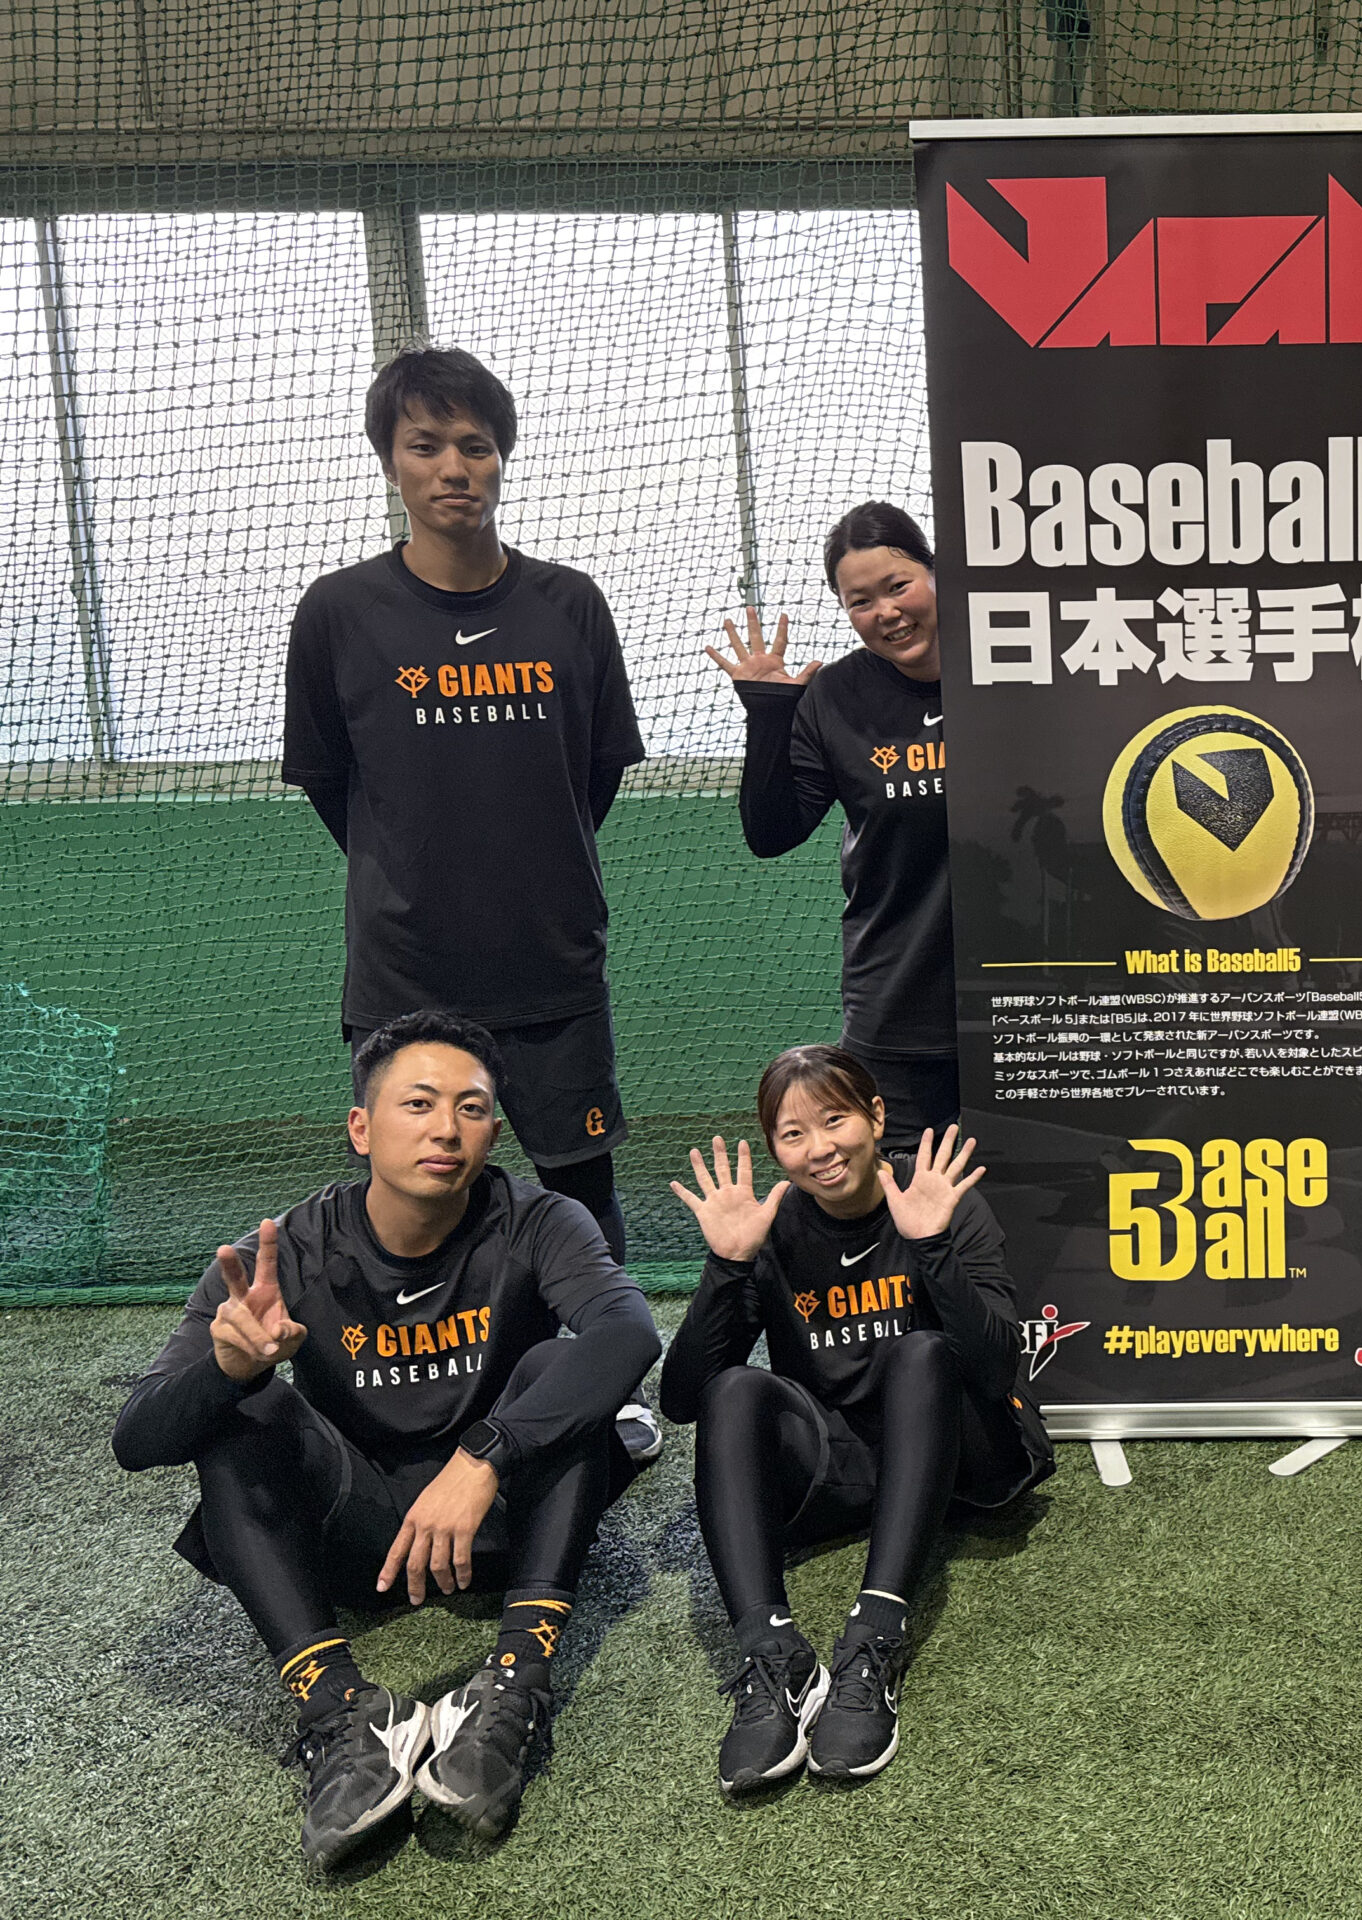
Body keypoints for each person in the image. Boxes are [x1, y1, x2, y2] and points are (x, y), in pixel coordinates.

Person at [110, 1013, 661, 1868]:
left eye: (472, 1109)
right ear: (361, 1129)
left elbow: (628, 1332)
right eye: (419, 1104)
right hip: (360, 1541)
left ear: (493, 1134)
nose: (447, 1129)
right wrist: (228, 1371)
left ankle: (514, 1684)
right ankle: (343, 1712)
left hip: (501, 1523)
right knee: (244, 1412)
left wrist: (486, 1453)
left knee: (562, 1369)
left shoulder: (539, 1219)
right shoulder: (287, 1251)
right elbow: (136, 1437)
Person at [280, 346, 659, 1462]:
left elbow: (595, 775)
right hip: (405, 977)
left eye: (475, 446)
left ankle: (596, 1389)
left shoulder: (569, 606)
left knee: (578, 1189)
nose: (454, 467)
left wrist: (529, 875)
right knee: (414, 1196)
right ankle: (416, 1411)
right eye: (427, 445)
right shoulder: (338, 612)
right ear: (390, 462)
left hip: (551, 967)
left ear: (502, 458)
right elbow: (333, 786)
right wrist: (415, 874)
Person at [660, 1045, 1052, 1795]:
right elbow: (684, 1401)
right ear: (774, 1148)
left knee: (921, 1352)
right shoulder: (775, 1227)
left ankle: (874, 1638)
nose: (820, 1149)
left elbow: (998, 1368)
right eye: (793, 1134)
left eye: (834, 1120)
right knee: (736, 1389)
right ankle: (773, 1655)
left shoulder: (936, 1198)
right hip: (844, 1464)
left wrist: (932, 1246)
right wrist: (728, 1267)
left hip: (964, 1453)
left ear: (875, 1116)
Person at [707, 503, 958, 1144]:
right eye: (860, 601)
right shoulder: (836, 696)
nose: (886, 612)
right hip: (897, 1012)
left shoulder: (1024, 668)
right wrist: (768, 712)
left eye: (898, 586)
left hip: (1030, 1004)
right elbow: (772, 834)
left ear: (936, 574)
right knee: (900, 1199)